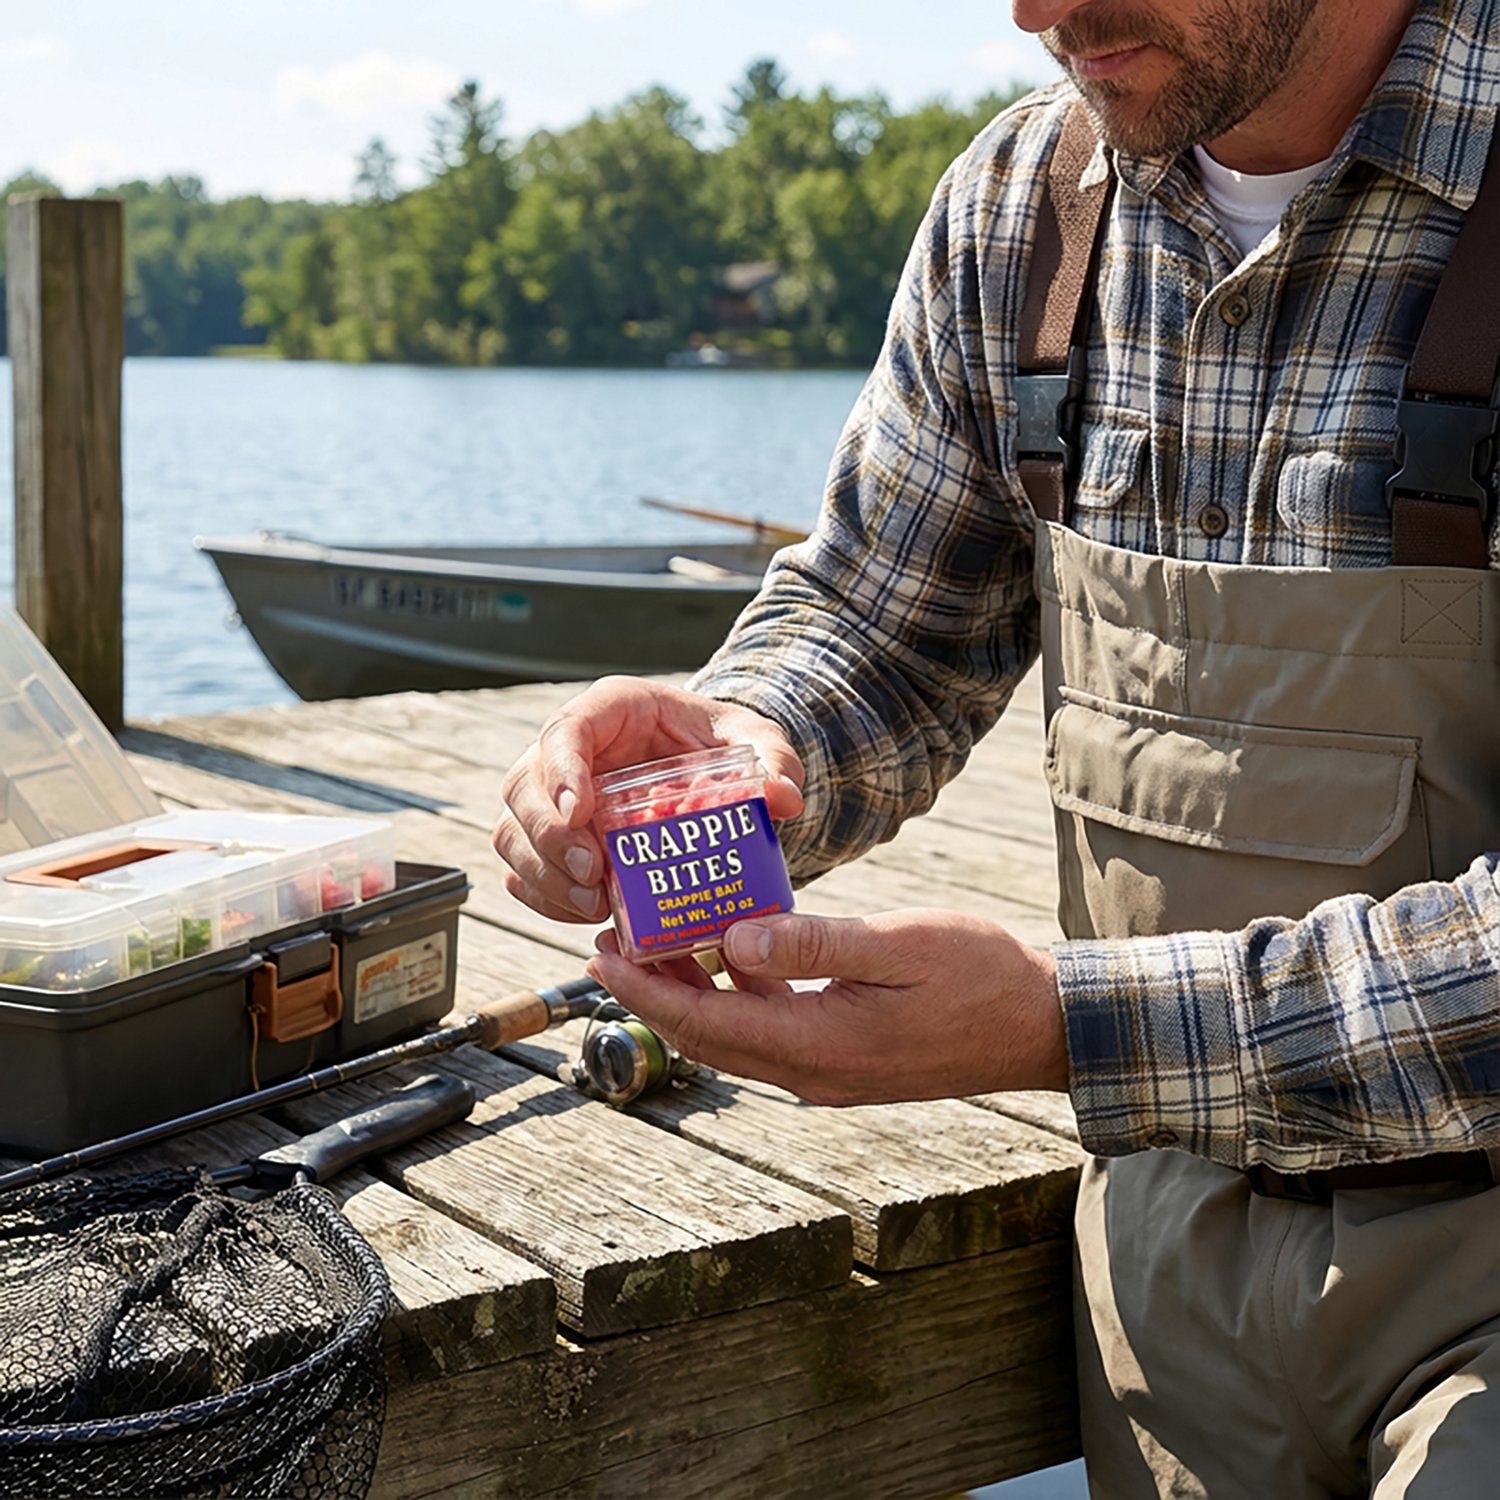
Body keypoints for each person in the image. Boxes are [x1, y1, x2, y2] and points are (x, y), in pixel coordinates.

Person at [492, 0, 1500, 1492]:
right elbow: (888, 620)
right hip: (1164, 1271)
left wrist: (1062, 1027)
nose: (1035, 9)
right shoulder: (1020, 209)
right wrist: (748, 740)